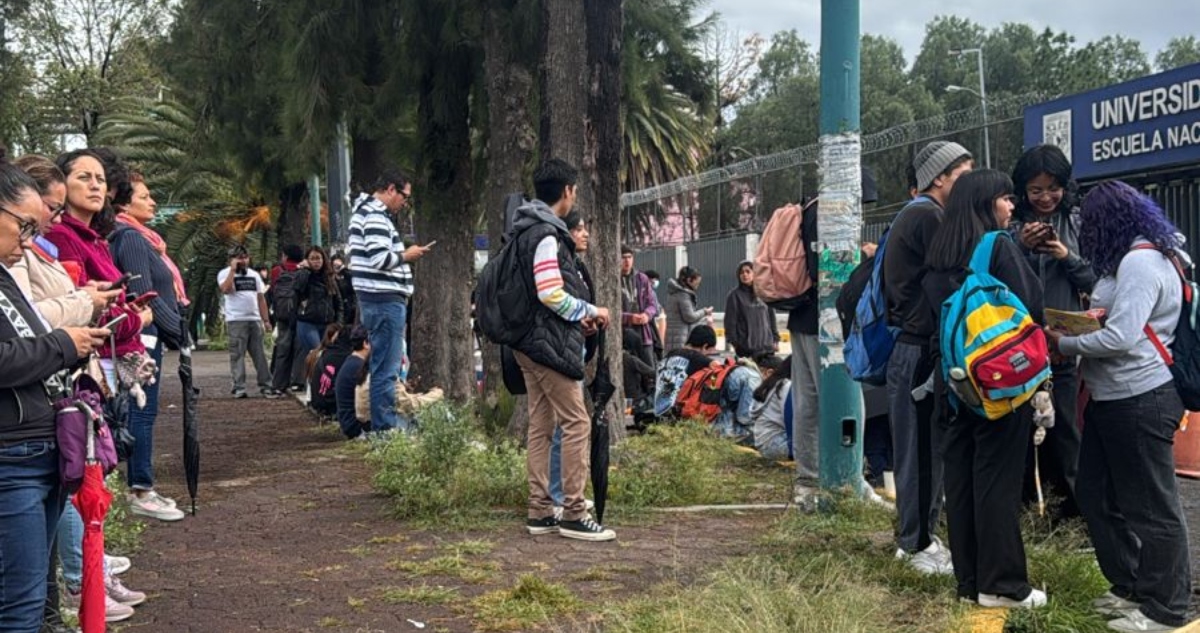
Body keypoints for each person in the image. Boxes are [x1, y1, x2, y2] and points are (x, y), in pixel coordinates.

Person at [1048, 181, 1191, 632]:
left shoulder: (1140, 262)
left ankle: (1166, 609)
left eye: (1088, 224)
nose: (1084, 233)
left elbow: (1122, 337)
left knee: (1151, 507)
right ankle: (1131, 586)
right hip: (1115, 398)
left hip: (1140, 397)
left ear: (1107, 223)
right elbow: (1122, 321)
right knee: (1096, 493)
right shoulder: (1141, 258)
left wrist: (1063, 342)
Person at [923, 169, 1046, 608]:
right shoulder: (997, 246)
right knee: (997, 482)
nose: (1012, 207)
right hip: (997, 383)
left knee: (961, 481)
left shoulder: (940, 253)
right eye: (1006, 199)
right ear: (985, 203)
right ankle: (1004, 584)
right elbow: (1030, 308)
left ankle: (969, 580)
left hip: (954, 385)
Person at [0, 160, 111, 633]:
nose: (27, 242)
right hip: (12, 459)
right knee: (19, 606)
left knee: (32, 600)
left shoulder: (6, 274)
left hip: (37, 452)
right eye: (23, 226)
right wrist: (65, 344)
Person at [510, 159, 615, 542]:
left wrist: (576, 317)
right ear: (567, 191)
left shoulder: (524, 229)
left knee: (541, 425)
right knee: (576, 422)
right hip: (548, 346)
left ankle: (540, 510)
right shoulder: (547, 235)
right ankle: (573, 510)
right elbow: (551, 293)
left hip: (528, 344)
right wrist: (591, 311)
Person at [882, 140, 972, 573]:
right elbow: (954, 276)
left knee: (925, 449)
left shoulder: (917, 214)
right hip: (918, 349)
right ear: (939, 177)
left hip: (913, 348)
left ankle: (921, 538)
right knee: (920, 452)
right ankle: (915, 545)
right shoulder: (929, 216)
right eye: (963, 173)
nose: (969, 183)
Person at [1010, 144, 1093, 519]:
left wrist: (1064, 255)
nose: (1045, 198)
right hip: (1017, 348)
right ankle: (1027, 511)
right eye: (1036, 190)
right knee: (1021, 436)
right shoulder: (1010, 226)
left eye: (1052, 188)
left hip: (1063, 347)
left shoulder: (1078, 222)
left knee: (1066, 435)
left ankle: (1073, 516)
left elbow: (1096, 278)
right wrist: (1021, 248)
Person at [790, 168, 881, 511]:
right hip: (823, 321)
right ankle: (844, 477)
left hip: (803, 318)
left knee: (808, 401)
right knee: (843, 400)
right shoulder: (828, 212)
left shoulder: (810, 208)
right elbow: (826, 270)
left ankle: (809, 480)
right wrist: (865, 258)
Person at [109, 172, 190, 523]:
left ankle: (140, 485)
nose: (153, 202)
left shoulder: (145, 239)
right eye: (145, 196)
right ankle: (140, 487)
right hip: (144, 335)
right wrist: (178, 333)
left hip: (152, 333)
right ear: (125, 202)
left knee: (144, 410)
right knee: (141, 410)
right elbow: (146, 297)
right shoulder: (131, 239)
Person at [347, 168, 430, 433]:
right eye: (404, 196)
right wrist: (408, 255)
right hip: (383, 300)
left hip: (376, 299)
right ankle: (386, 431)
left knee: (381, 365)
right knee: (387, 370)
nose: (404, 202)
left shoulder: (364, 213)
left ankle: (383, 427)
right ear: (391, 189)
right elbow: (380, 259)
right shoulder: (375, 217)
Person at [217, 244, 275, 398]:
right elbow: (225, 289)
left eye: (245, 257)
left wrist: (266, 320)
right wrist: (233, 271)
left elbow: (260, 298)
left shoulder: (254, 275)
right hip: (236, 320)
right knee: (237, 355)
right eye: (239, 258)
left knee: (260, 355)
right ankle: (239, 387)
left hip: (254, 319)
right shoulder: (224, 274)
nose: (243, 260)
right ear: (231, 260)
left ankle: (266, 385)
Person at [292, 245, 342, 389]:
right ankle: (313, 387)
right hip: (307, 322)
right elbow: (298, 288)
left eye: (318, 258)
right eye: (312, 259)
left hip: (326, 323)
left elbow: (338, 301)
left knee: (326, 356)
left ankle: (321, 387)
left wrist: (338, 323)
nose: (316, 262)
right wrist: (306, 270)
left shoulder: (329, 277)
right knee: (317, 354)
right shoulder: (303, 274)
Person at [724, 260, 779, 359]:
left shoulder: (763, 292)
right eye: (741, 273)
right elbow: (730, 322)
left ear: (754, 273)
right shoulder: (734, 296)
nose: (744, 275)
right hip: (746, 349)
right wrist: (735, 343)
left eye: (748, 271)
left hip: (766, 347)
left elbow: (771, 317)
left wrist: (775, 339)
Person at [269, 244, 305, 392]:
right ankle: (297, 381)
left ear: (285, 255)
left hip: (283, 315)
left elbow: (272, 291)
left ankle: (279, 383)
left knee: (283, 349)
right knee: (299, 348)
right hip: (300, 315)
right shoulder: (304, 270)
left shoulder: (277, 271)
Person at [620, 246, 659, 363]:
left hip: (644, 333)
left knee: (649, 370)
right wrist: (629, 318)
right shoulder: (612, 279)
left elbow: (653, 304)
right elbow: (610, 311)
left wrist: (647, 315)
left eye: (629, 257)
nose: (627, 261)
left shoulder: (642, 278)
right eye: (623, 257)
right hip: (624, 334)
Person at [750, 355, 791, 460]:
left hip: (765, 443)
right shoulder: (786, 387)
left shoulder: (767, 387)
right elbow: (793, 423)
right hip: (776, 444)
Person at [335, 326, 371, 440]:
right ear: (366, 343)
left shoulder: (351, 362)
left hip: (348, 422)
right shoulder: (359, 367)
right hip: (356, 427)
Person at [664, 266, 710, 350]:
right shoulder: (683, 295)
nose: (697, 286)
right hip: (680, 338)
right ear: (689, 280)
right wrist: (704, 312)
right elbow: (689, 317)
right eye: (697, 283)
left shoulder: (674, 293)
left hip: (674, 336)